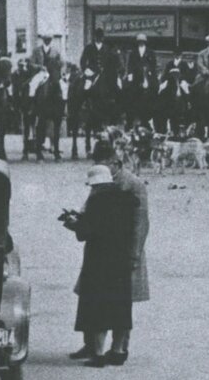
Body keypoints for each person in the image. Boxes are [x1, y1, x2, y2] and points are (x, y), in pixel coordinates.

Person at [62, 164, 139, 367]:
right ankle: (118, 351)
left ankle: (97, 354)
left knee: (96, 306)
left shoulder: (96, 201)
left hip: (99, 260)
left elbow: (86, 232)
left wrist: (73, 223)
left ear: (95, 185)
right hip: (121, 259)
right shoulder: (128, 199)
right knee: (121, 305)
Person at [92, 138, 151, 320]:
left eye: (104, 165)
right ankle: (92, 344)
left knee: (123, 301)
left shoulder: (134, 184)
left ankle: (120, 348)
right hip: (102, 250)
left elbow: (141, 222)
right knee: (95, 297)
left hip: (126, 250)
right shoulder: (100, 178)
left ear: (115, 163)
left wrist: (134, 255)